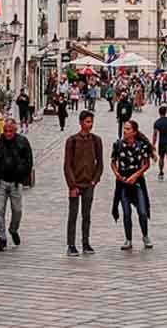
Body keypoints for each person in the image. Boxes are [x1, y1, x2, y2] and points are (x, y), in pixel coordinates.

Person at [0, 119, 33, 252]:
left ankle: (13, 229)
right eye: (5, 130)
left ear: (15, 130)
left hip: (16, 182)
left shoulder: (22, 141)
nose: (8, 133)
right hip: (0, 182)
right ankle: (2, 239)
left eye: (10, 131)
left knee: (17, 210)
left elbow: (29, 160)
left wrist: (23, 177)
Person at [63, 110, 103, 257]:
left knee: (87, 215)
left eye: (91, 121)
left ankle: (86, 242)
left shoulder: (96, 140)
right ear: (80, 122)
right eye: (87, 121)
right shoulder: (72, 141)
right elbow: (67, 165)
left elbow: (100, 163)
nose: (90, 124)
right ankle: (71, 244)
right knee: (73, 214)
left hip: (89, 184)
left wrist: (95, 180)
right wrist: (72, 185)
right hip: (76, 183)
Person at [111, 120, 153, 250]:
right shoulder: (118, 145)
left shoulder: (141, 146)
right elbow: (113, 162)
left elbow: (146, 164)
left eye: (128, 129)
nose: (125, 131)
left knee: (142, 211)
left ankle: (145, 236)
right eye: (124, 128)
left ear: (134, 132)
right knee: (126, 212)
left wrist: (136, 176)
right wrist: (117, 174)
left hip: (137, 182)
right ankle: (128, 239)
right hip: (123, 183)